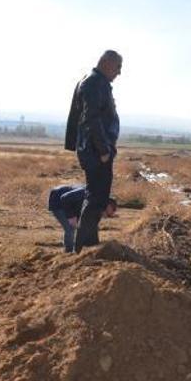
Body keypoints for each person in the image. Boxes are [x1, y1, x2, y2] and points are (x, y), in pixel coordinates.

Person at [64, 49, 123, 252]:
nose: (119, 72)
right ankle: (79, 251)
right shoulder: (94, 83)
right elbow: (92, 118)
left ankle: (89, 245)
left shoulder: (93, 81)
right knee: (96, 198)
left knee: (96, 198)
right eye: (118, 67)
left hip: (93, 150)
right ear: (107, 63)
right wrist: (103, 149)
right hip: (96, 152)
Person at [48, 184, 117, 253]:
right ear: (106, 204)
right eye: (107, 213)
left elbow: (92, 227)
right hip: (58, 199)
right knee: (71, 228)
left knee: (80, 226)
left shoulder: (97, 207)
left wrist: (95, 246)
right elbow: (65, 198)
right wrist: (71, 216)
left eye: (108, 216)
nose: (105, 216)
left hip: (72, 205)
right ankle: (69, 252)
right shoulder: (88, 194)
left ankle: (75, 249)